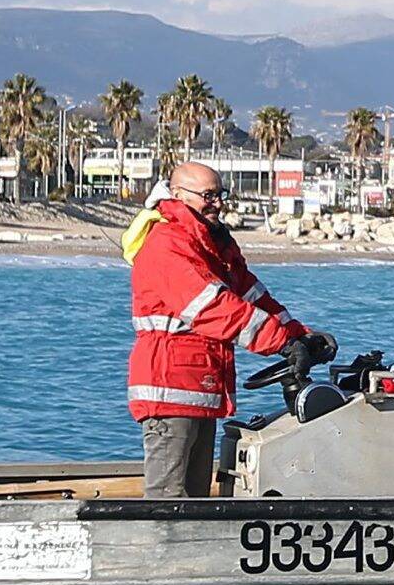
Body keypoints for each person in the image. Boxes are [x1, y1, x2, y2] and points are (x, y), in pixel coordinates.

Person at [124, 158, 320, 498]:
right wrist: (281, 343)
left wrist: (298, 334)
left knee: (197, 495)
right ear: (178, 194)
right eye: (208, 195)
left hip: (198, 387)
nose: (218, 202)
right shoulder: (167, 243)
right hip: (170, 390)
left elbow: (251, 295)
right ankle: (156, 549)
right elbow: (212, 308)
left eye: (220, 194)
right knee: (168, 496)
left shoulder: (211, 245)